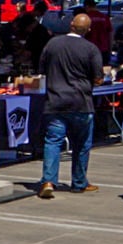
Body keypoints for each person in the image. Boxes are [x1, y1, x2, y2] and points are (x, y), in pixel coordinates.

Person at [38, 12, 104, 198]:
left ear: (71, 25)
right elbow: (98, 78)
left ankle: (49, 180)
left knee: (53, 142)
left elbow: (41, 69)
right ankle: (79, 182)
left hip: (56, 100)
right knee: (82, 144)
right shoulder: (91, 49)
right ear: (88, 30)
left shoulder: (53, 43)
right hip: (81, 102)